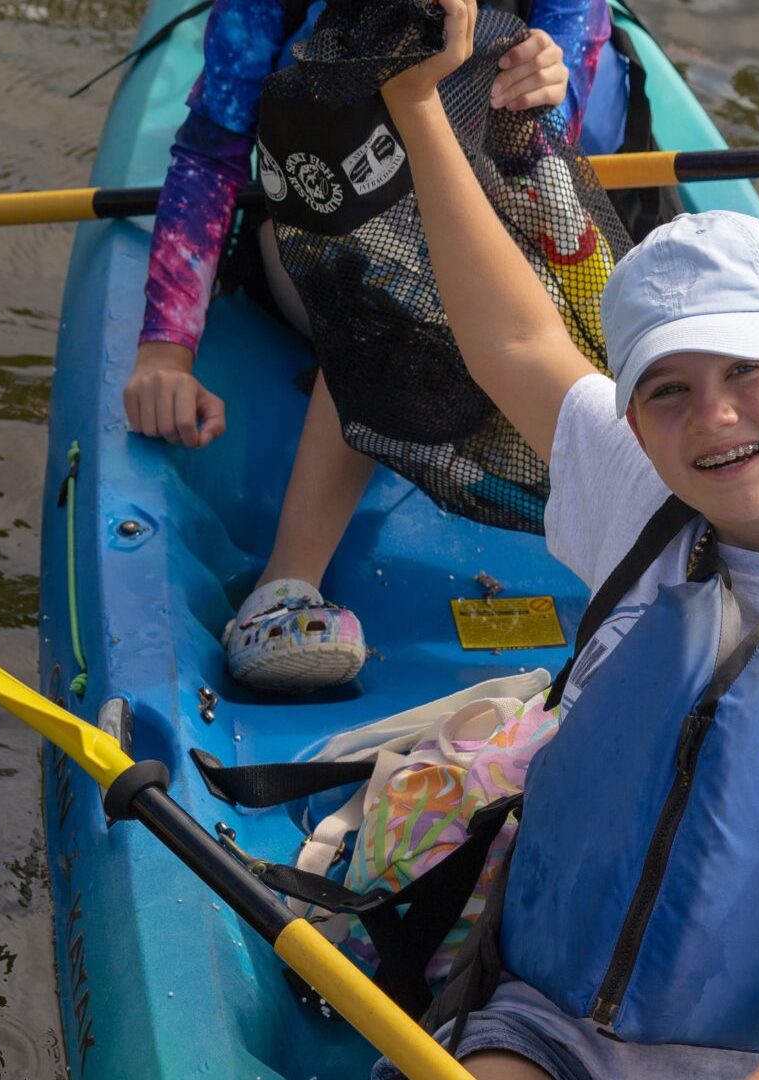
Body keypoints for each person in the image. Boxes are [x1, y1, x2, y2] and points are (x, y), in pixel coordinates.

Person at [368, 1, 759, 1077]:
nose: (713, 418)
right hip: (539, 1025)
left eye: (747, 373)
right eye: (669, 391)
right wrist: (418, 103)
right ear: (636, 418)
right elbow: (514, 335)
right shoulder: (651, 499)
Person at [123, 0, 623, 692]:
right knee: (402, 285)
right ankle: (286, 581)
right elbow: (213, 150)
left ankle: (639, 551)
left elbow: (536, 164)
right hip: (321, 228)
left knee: (470, 272)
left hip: (492, 209)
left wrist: (534, 98)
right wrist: (165, 350)